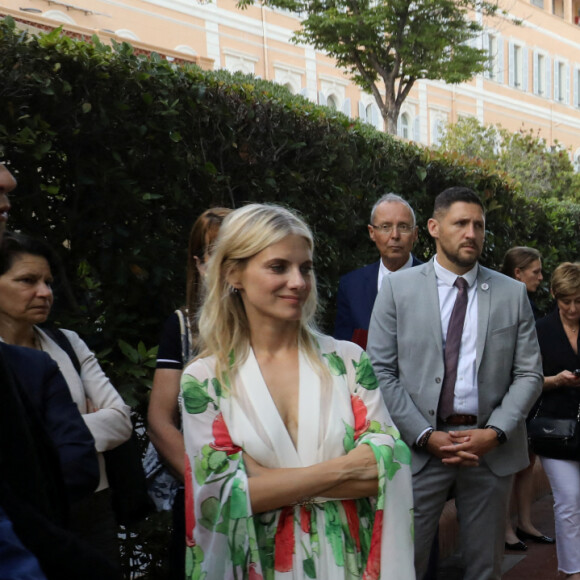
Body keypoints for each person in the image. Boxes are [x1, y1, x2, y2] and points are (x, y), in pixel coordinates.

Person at [181, 203, 414, 578]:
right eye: (278, 267)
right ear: (233, 273)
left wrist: (263, 480)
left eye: (305, 267)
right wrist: (344, 468)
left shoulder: (348, 361)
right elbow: (221, 497)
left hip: (347, 567)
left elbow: (388, 467)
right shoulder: (205, 379)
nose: (299, 282)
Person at [367, 186, 543, 580]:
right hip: (419, 451)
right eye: (460, 223)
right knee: (401, 565)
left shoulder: (511, 293)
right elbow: (380, 369)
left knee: (484, 568)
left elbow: (529, 373)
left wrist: (495, 432)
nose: (471, 233)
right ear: (433, 227)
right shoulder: (397, 289)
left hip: (488, 451)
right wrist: (424, 434)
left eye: (478, 225)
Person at [0, 161, 118, 579]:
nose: (44, 293)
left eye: (48, 281)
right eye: (27, 281)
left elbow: (120, 421)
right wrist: (63, 432)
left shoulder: (64, 344)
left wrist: (48, 442)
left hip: (93, 507)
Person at [147, 207, 230, 576]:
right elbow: (160, 420)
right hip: (202, 495)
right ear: (199, 264)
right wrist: (204, 482)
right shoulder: (183, 327)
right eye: (216, 252)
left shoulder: (281, 326)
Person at [500, 246, 553, 550]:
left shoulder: (527, 302)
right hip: (512, 395)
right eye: (536, 271)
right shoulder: (506, 301)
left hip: (531, 393)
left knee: (526, 461)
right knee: (509, 463)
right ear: (518, 273)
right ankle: (506, 527)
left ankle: (525, 521)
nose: (541, 277)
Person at [535, 262, 580, 580]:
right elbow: (527, 380)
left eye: (579, 300)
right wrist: (555, 381)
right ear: (554, 295)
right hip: (555, 430)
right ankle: (572, 571)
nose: (573, 308)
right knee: (567, 500)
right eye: (567, 301)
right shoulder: (541, 330)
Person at [334, 193, 422, 348]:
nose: (395, 235)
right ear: (372, 232)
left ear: (415, 234)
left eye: (403, 227)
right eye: (385, 227)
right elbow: (343, 351)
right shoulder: (352, 286)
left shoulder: (436, 282)